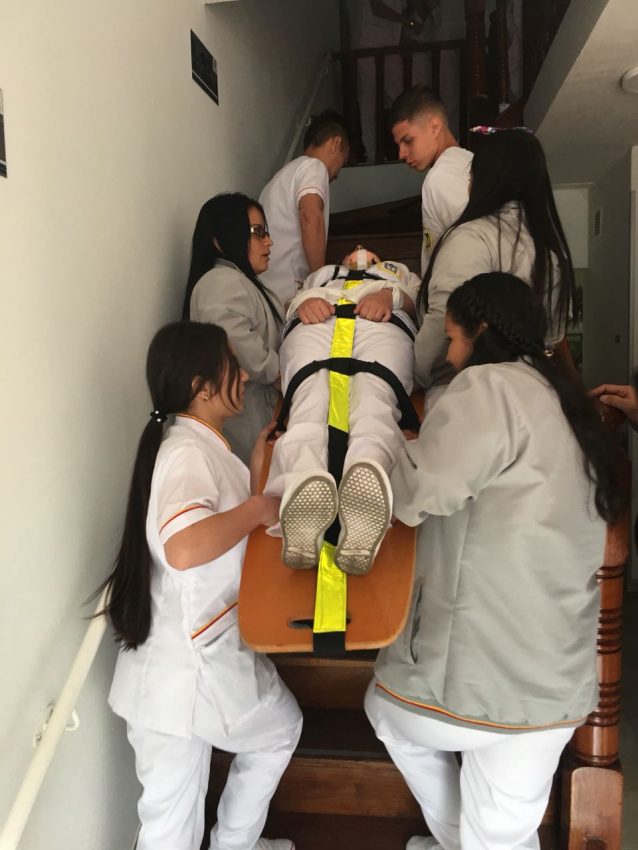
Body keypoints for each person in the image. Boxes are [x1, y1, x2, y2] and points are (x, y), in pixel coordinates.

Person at [365, 271, 624, 850]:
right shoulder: (565, 402)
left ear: (482, 331)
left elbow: (419, 493)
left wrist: (386, 440)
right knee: (505, 831)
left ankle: (454, 841)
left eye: (453, 338)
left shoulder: (487, 388)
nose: (449, 354)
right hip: (556, 677)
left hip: (480, 671)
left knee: (386, 712)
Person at [98, 321, 302, 850]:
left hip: (168, 673)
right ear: (200, 386)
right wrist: (258, 507)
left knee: (169, 826)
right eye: (231, 365)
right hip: (191, 666)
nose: (244, 375)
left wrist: (255, 471)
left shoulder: (196, 448)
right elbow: (185, 547)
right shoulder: (187, 451)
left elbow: (214, 537)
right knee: (279, 731)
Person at [264, 246, 419, 575]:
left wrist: (388, 296)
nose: (360, 250)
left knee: (374, 397)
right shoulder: (321, 276)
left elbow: (415, 302)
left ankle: (367, 481)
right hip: (315, 323)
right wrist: (302, 304)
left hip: (381, 325)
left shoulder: (398, 272)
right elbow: (290, 304)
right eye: (354, 248)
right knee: (309, 401)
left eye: (368, 250)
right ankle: (305, 489)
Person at [414, 127, 577, 395]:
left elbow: (442, 320)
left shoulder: (471, 238)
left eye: (471, 176)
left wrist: (419, 376)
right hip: (530, 389)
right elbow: (552, 338)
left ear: (484, 179)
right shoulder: (549, 252)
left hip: (461, 389)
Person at [183, 193, 284, 464]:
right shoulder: (220, 282)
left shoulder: (238, 280)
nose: (268, 241)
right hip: (248, 423)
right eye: (257, 232)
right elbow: (245, 350)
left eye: (266, 232)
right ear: (220, 240)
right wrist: (290, 374)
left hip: (260, 414)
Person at [259, 110, 350, 305]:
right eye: (342, 162)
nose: (337, 175)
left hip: (267, 290)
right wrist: (319, 281)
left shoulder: (279, 178)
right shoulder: (314, 166)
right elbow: (310, 214)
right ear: (335, 143)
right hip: (289, 290)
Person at [390, 86, 473, 276]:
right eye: (399, 145)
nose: (401, 154)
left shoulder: (440, 177)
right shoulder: (469, 161)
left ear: (434, 127)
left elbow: (471, 250)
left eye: (408, 140)